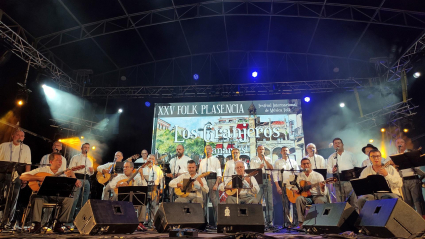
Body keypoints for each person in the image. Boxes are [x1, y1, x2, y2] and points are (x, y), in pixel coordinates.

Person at [20, 153, 82, 233]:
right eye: (57, 160)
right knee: (36, 197)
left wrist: (73, 176)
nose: (60, 162)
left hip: (56, 196)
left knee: (69, 199)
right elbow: (22, 176)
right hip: (42, 195)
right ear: (51, 161)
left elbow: (74, 186)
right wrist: (40, 178)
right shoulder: (43, 170)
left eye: (61, 160)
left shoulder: (63, 173)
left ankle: (59, 224)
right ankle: (37, 225)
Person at [0, 129, 31, 226]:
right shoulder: (3, 146)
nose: (20, 137)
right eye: (18, 135)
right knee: (1, 197)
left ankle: (7, 221)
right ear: (13, 136)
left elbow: (28, 164)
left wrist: (25, 178)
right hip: (2, 174)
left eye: (22, 136)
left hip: (17, 176)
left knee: (13, 198)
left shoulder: (26, 148)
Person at [108, 160, 148, 231]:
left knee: (143, 200)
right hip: (122, 199)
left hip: (133, 199)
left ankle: (140, 223)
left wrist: (142, 175)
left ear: (132, 168)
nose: (124, 169)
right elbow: (111, 185)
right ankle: (118, 221)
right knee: (115, 197)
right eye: (124, 167)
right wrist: (119, 185)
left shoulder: (137, 177)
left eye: (126, 167)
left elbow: (145, 186)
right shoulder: (119, 177)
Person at [291, 157, 328, 229]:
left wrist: (322, 187)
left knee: (320, 200)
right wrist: (296, 190)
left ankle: (320, 223)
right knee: (299, 198)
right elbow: (295, 186)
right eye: (304, 164)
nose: (306, 165)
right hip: (306, 197)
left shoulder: (318, 175)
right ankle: (301, 223)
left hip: (317, 195)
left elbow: (324, 193)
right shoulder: (299, 175)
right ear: (301, 166)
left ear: (310, 164)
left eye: (307, 163)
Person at [393, 138, 425, 216]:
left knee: (418, 202)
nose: (400, 144)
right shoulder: (393, 156)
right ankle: (412, 222)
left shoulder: (411, 153)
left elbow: (418, 166)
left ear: (405, 144)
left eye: (402, 142)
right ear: (395, 145)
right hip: (402, 181)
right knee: (408, 203)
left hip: (413, 178)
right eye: (398, 142)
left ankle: (422, 220)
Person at [326, 138, 359, 210]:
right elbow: (328, 168)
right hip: (337, 181)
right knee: (340, 203)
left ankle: (356, 219)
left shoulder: (350, 154)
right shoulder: (332, 156)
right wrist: (332, 170)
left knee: (353, 202)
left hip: (349, 180)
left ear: (342, 144)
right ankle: (342, 219)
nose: (337, 144)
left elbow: (356, 166)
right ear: (333, 146)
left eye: (338, 143)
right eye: (335, 143)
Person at [273, 146, 299, 228]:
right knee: (285, 204)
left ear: (289, 152)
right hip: (283, 184)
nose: (285, 152)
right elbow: (275, 175)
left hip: (292, 185)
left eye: (286, 150)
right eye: (283, 150)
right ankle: (288, 223)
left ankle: (296, 222)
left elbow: (297, 173)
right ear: (281, 152)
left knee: (294, 203)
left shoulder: (293, 162)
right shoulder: (277, 162)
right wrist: (277, 186)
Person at [68, 143, 94, 221]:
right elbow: (70, 169)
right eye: (85, 147)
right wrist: (75, 179)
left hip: (86, 179)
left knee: (84, 201)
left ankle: (79, 220)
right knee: (74, 200)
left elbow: (91, 173)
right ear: (81, 148)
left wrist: (92, 171)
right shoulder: (75, 157)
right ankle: (69, 220)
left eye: (88, 147)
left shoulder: (90, 159)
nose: (86, 149)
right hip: (78, 178)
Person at [198, 145, 221, 227]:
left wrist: (217, 183)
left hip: (212, 179)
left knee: (215, 201)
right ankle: (204, 223)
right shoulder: (203, 161)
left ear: (211, 150)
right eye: (206, 149)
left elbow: (219, 173)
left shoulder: (216, 160)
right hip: (204, 180)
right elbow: (200, 174)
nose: (207, 150)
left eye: (209, 149)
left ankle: (218, 223)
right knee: (203, 201)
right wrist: (201, 182)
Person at [250, 145, 274, 225]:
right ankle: (258, 220)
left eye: (263, 149)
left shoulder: (268, 158)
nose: (261, 150)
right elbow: (252, 172)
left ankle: (269, 221)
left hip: (267, 179)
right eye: (260, 149)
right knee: (257, 201)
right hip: (258, 180)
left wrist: (265, 160)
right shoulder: (253, 159)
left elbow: (271, 168)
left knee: (269, 201)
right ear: (257, 150)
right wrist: (259, 168)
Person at [141, 154, 164, 227]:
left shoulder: (157, 168)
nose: (151, 160)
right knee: (145, 206)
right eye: (149, 158)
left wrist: (161, 188)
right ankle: (144, 221)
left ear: (155, 160)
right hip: (145, 188)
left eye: (152, 159)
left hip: (154, 188)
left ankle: (152, 222)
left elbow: (161, 179)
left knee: (153, 206)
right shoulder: (143, 168)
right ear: (147, 159)